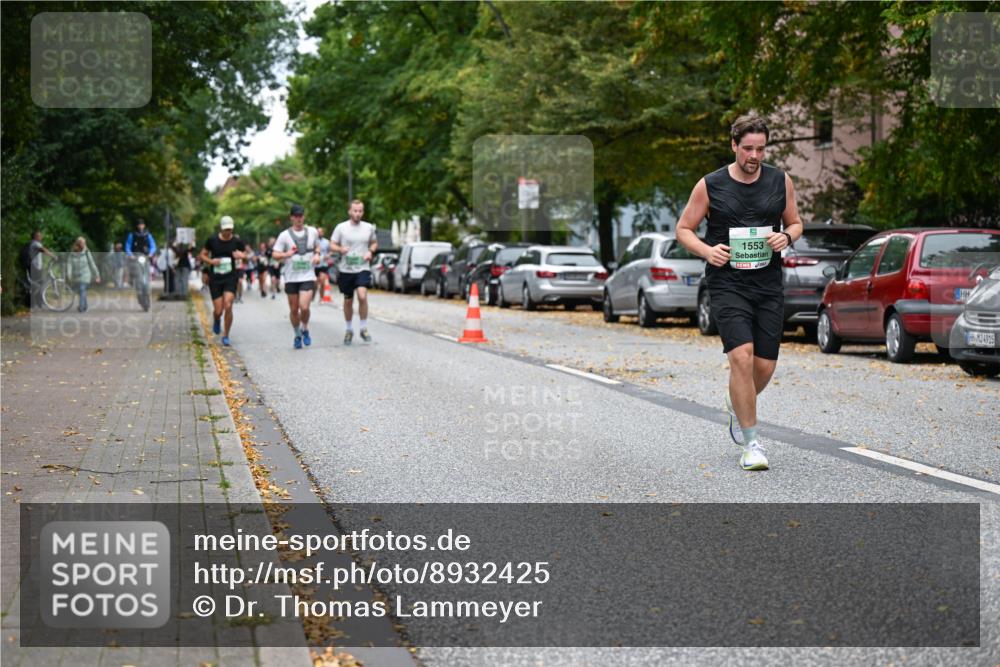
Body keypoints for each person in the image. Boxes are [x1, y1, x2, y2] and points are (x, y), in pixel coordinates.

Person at [675, 114, 803, 471]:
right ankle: (751, 444)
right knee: (741, 357)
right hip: (727, 282)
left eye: (761, 148)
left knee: (765, 365)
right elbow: (684, 228)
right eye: (748, 148)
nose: (755, 155)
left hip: (767, 284)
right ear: (734, 146)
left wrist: (787, 237)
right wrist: (706, 251)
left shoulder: (780, 180)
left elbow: (795, 221)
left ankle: (737, 402)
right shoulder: (710, 185)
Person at [272, 204, 321, 349]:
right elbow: (275, 254)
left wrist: (317, 255)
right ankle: (297, 334)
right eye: (296, 216)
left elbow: (317, 246)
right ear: (291, 217)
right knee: (294, 310)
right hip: (291, 278)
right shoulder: (284, 235)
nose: (299, 218)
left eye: (301, 216)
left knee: (304, 307)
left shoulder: (312, 232)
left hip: (307, 276)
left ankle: (305, 328)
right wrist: (285, 254)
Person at [330, 199, 378, 345]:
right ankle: (349, 329)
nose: (357, 214)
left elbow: (374, 243)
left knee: (362, 296)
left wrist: (370, 251)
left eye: (360, 211)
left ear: (363, 212)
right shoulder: (341, 227)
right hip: (346, 269)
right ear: (350, 211)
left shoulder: (369, 227)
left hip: (362, 267)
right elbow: (332, 244)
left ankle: (363, 327)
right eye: (355, 211)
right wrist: (340, 249)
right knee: (348, 300)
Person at [199, 216, 248, 346]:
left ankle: (226, 334)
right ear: (221, 228)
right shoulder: (212, 240)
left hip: (230, 277)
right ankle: (216, 319)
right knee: (219, 310)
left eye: (230, 229)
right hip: (215, 278)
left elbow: (247, 257)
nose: (228, 232)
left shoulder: (236, 241)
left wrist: (242, 256)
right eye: (226, 229)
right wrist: (211, 261)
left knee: (228, 304)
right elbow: (202, 255)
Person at [19, 229, 57, 307]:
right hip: (34, 267)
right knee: (39, 284)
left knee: (38, 284)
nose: (41, 237)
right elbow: (43, 250)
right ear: (35, 236)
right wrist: (53, 256)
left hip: (35, 267)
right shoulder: (35, 243)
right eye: (39, 235)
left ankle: (37, 302)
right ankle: (35, 303)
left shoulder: (34, 244)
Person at [125, 220, 157, 311]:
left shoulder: (148, 235)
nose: (140, 226)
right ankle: (141, 299)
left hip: (145, 258)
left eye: (142, 224)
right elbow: (127, 245)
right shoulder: (132, 235)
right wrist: (130, 254)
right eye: (139, 224)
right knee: (139, 280)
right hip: (135, 258)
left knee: (146, 282)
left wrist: (151, 253)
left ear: (144, 225)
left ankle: (147, 301)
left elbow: (153, 245)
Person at [67, 237, 101, 312]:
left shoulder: (87, 252)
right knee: (81, 291)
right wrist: (69, 274)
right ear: (78, 243)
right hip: (76, 276)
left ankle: (81, 307)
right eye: (83, 243)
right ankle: (85, 306)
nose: (84, 244)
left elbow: (92, 263)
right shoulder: (72, 253)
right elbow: (69, 264)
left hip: (86, 275)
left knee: (82, 289)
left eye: (84, 243)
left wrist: (97, 275)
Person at [313, 226, 332, 304]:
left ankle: (321, 298)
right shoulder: (313, 242)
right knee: (315, 283)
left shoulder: (327, 242)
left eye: (321, 232)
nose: (319, 233)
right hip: (314, 265)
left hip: (323, 264)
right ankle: (312, 296)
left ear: (323, 233)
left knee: (322, 281)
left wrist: (328, 255)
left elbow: (331, 251)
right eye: (318, 232)